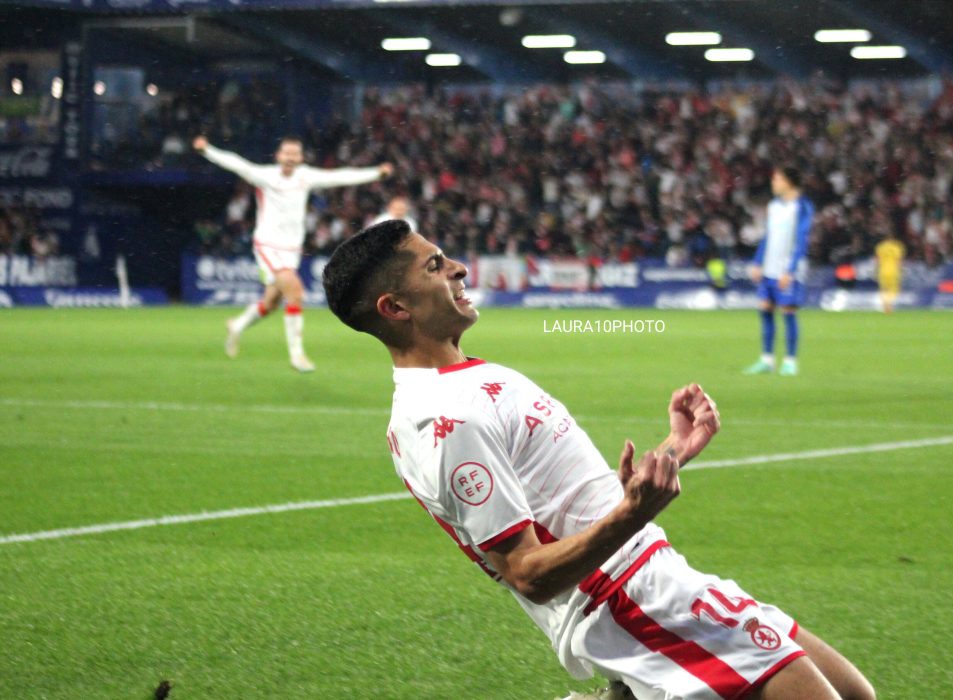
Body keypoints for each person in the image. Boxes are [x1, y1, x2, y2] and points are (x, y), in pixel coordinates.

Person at [322, 220, 875, 700]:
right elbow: (527, 573)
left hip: (653, 575)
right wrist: (632, 515)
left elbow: (563, 506)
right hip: (629, 601)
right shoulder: (444, 417)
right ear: (395, 308)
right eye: (436, 266)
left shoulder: (465, 380)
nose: (461, 269)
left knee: (854, 692)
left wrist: (671, 453)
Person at [193, 135, 394, 372]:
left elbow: (339, 176)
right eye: (286, 153)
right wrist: (207, 150)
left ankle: (236, 325)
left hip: (291, 250)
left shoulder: (305, 176)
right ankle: (297, 355)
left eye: (295, 154)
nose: (290, 158)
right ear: (279, 156)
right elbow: (237, 164)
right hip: (267, 245)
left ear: (300, 158)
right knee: (295, 292)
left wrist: (375, 174)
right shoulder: (265, 176)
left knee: (271, 302)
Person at [743, 167, 813, 377]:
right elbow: (768, 237)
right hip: (769, 268)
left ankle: (791, 361)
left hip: (788, 270)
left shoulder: (801, 206)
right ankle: (767, 359)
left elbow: (801, 240)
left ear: (789, 182)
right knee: (765, 309)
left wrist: (790, 270)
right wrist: (757, 262)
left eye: (777, 179)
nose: (773, 183)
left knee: (788, 311)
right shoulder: (773, 206)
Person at [874, 234, 906, 313]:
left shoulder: (880, 247)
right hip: (893, 271)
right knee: (894, 289)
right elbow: (899, 261)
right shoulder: (897, 247)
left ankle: (885, 306)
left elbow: (877, 262)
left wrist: (876, 271)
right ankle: (889, 306)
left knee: (884, 289)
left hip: (882, 271)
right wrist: (902, 271)